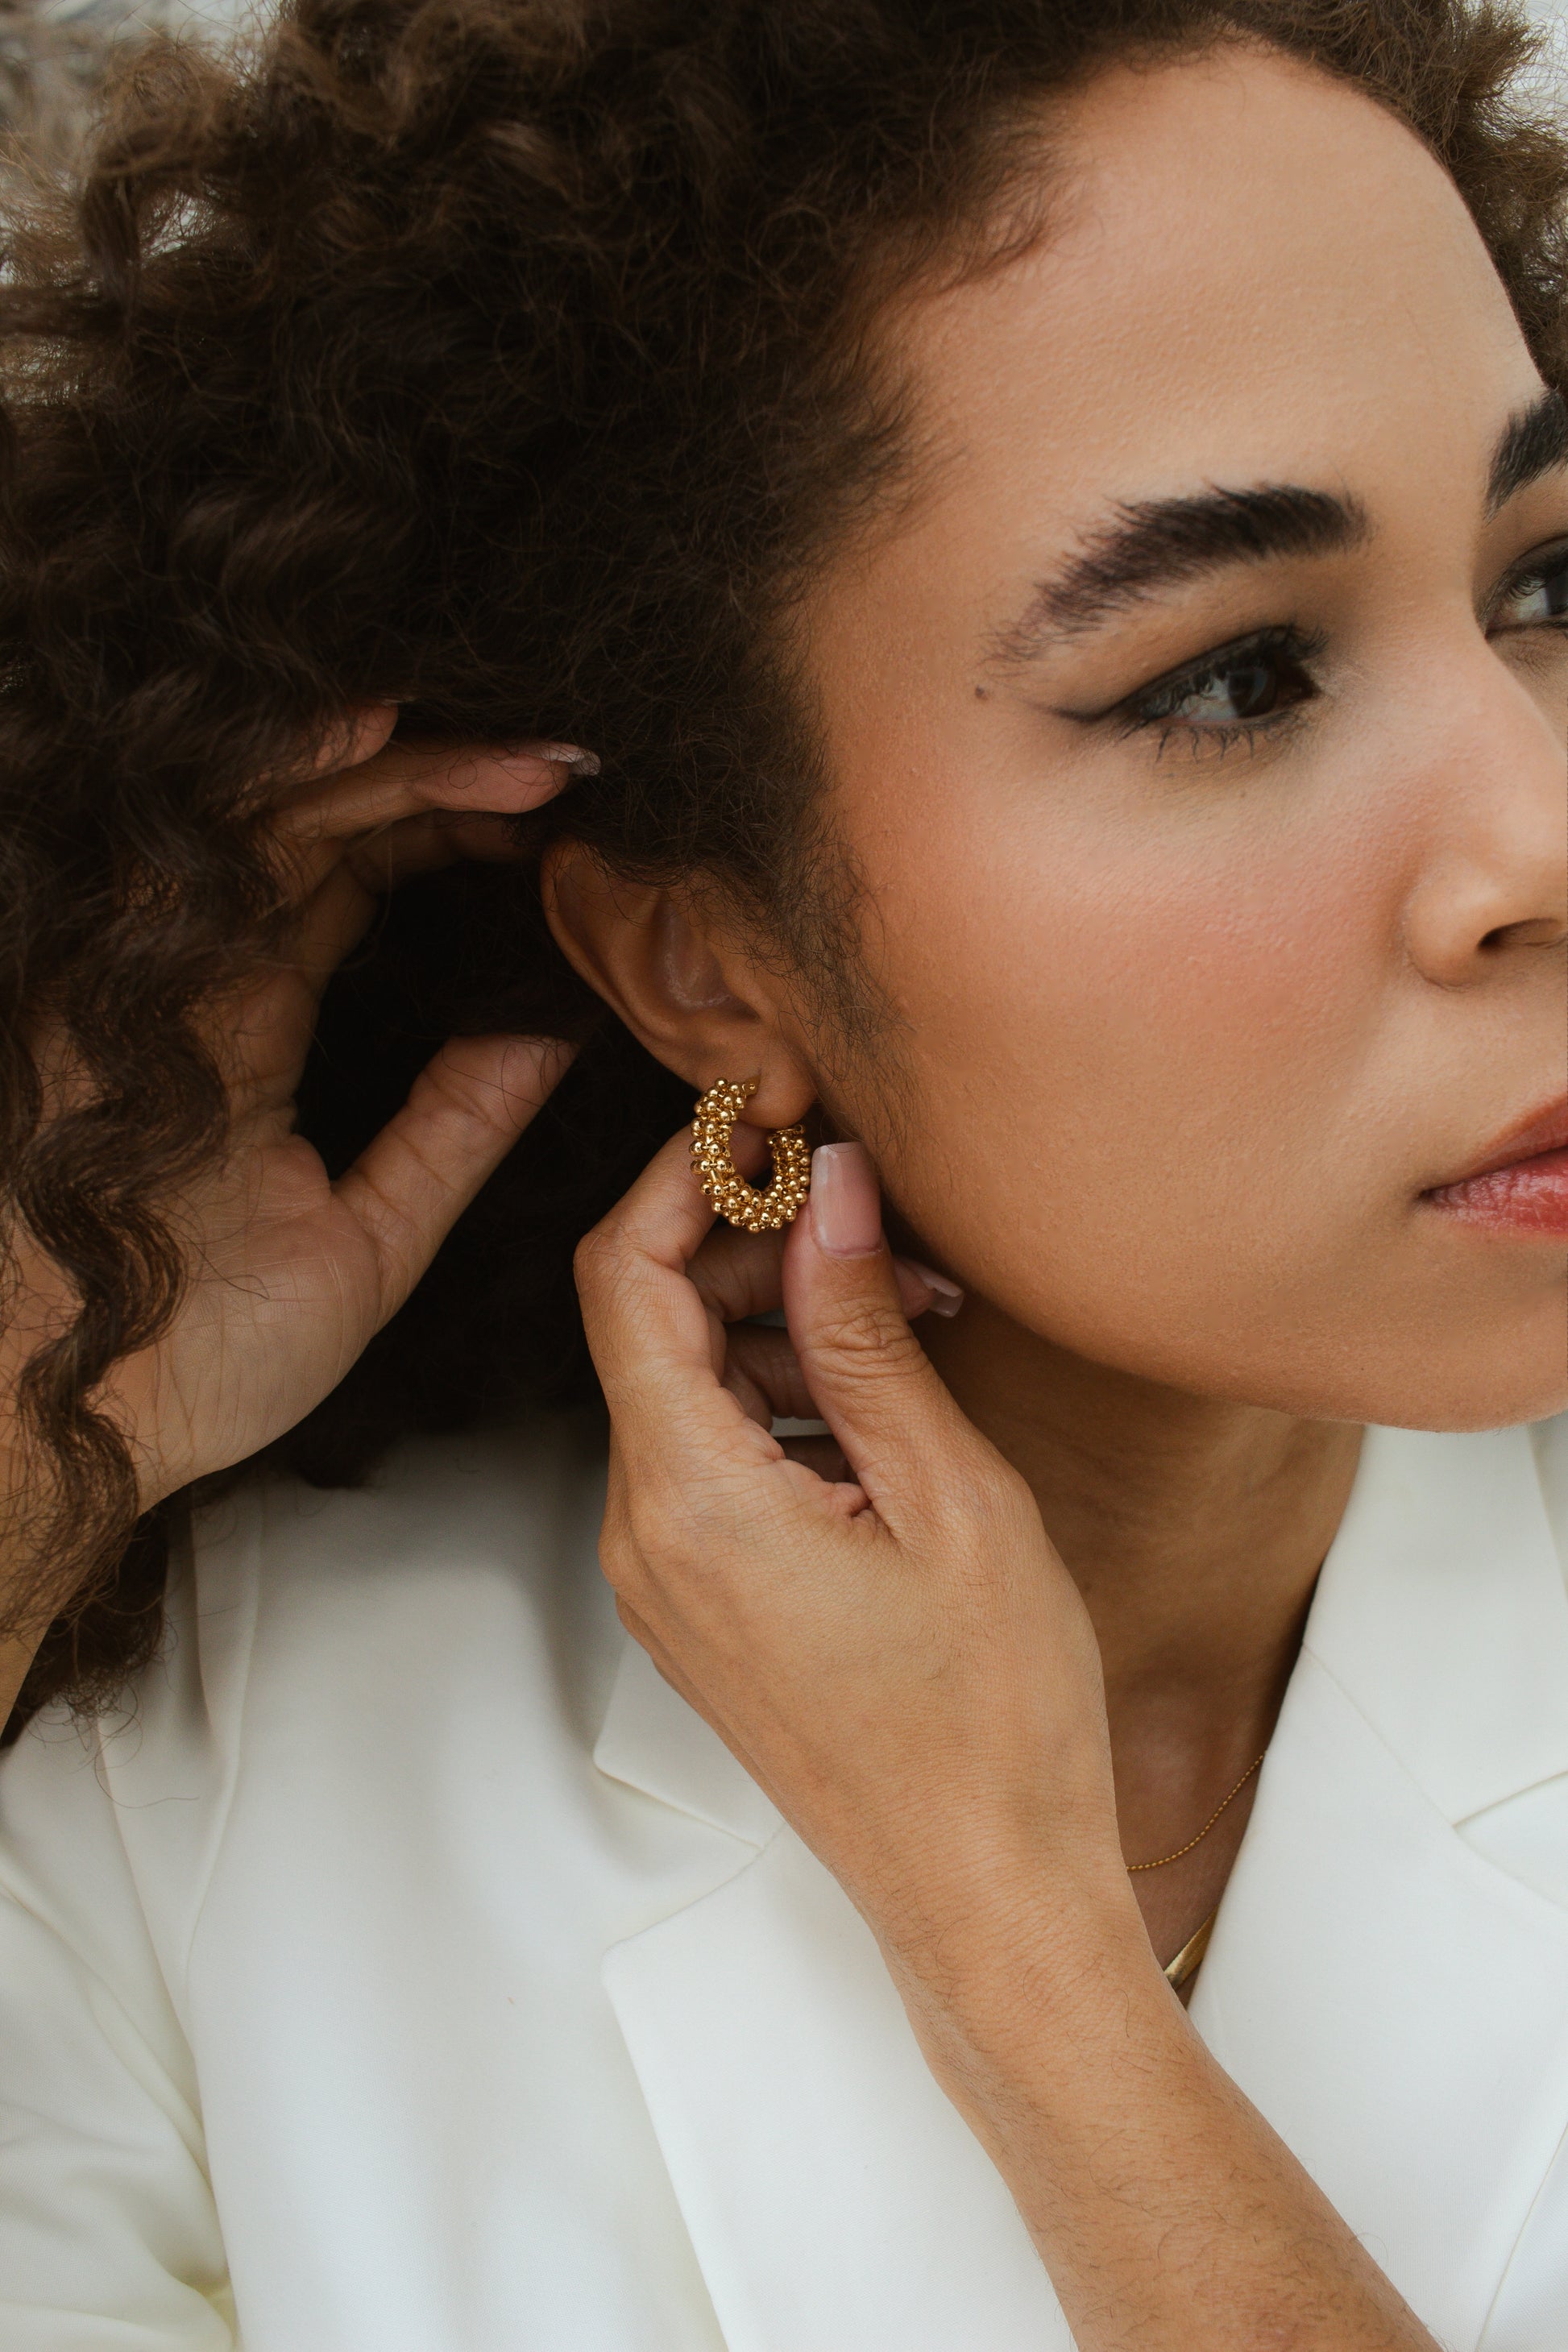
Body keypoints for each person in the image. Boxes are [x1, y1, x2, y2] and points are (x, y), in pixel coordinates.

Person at [0, 0, 1565, 2342]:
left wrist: (1015, 1951)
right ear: (708, 962)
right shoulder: (211, 1782)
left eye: (1542, 590)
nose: (1537, 836)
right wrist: (41, 1441)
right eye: (1228, 679)